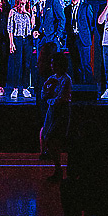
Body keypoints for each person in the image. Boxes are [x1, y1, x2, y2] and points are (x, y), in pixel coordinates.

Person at [40, 52, 72, 180]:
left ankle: (59, 168)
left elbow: (60, 98)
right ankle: (57, 167)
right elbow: (44, 95)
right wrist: (47, 88)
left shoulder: (66, 79)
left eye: (54, 63)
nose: (52, 66)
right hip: (53, 111)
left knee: (55, 138)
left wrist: (50, 97)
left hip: (61, 111)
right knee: (49, 137)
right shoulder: (52, 78)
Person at [31, 0, 65, 101]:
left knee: (55, 66)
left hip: (53, 40)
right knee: (41, 65)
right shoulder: (36, 6)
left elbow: (61, 19)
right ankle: (43, 90)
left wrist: (57, 36)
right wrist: (35, 31)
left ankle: (57, 91)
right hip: (41, 40)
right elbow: (36, 23)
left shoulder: (53, 2)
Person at [64, 0, 96, 87]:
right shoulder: (67, 9)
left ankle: (89, 87)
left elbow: (91, 24)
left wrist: (87, 36)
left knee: (85, 64)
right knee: (75, 64)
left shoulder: (86, 7)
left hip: (83, 39)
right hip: (72, 39)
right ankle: (77, 87)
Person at [6, 0, 35, 99]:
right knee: (17, 64)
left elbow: (32, 26)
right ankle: (15, 88)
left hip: (27, 39)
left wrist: (31, 15)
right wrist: (11, 42)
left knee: (27, 64)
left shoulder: (30, 11)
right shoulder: (13, 11)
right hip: (17, 39)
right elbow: (10, 27)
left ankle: (25, 88)